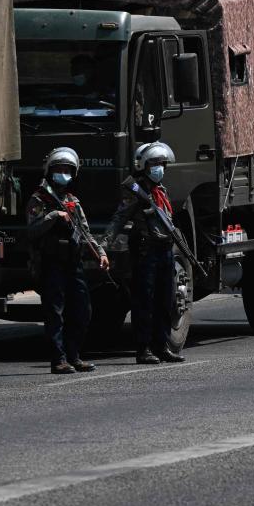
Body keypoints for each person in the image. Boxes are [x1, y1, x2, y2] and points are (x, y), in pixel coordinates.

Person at [26, 147, 108, 374]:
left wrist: (100, 252)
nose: (63, 173)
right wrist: (53, 216)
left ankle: (74, 355)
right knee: (55, 313)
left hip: (74, 263)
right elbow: (32, 230)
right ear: (50, 171)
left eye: (67, 170)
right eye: (58, 169)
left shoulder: (73, 201)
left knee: (83, 310)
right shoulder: (39, 199)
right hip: (52, 263)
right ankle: (59, 359)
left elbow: (85, 231)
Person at [104, 141, 186, 365]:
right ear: (144, 165)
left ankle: (162, 346)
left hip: (165, 250)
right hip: (145, 251)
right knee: (145, 302)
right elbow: (120, 217)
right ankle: (144, 349)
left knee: (165, 300)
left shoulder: (161, 191)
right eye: (154, 164)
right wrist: (104, 244)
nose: (159, 167)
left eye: (161, 163)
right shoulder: (136, 192)